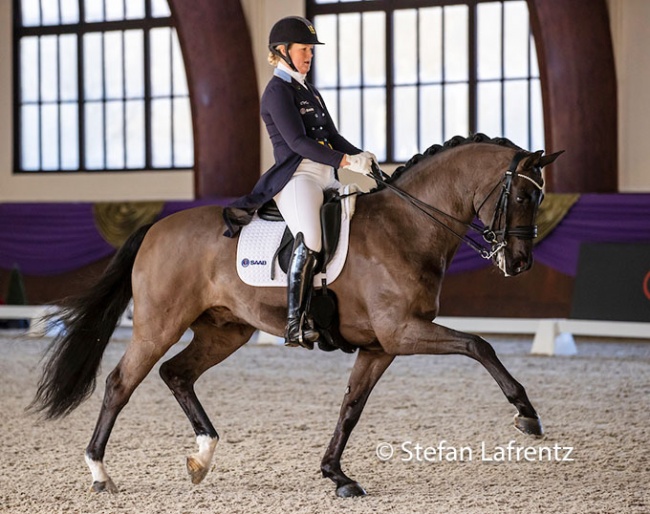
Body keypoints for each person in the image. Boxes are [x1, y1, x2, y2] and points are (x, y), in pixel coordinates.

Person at [223, 16, 376, 349]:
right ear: (282, 51)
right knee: (312, 239)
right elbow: (297, 142)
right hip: (297, 178)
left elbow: (332, 136)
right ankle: (294, 322)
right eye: (304, 49)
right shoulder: (277, 92)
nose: (309, 56)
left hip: (327, 176)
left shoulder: (309, 90)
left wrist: (363, 157)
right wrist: (347, 162)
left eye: (310, 50)